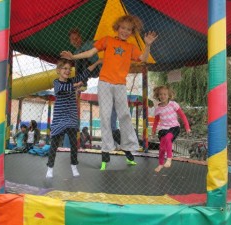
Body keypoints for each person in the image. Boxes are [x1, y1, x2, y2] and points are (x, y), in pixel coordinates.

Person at [61, 15, 158, 170]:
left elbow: (143, 58)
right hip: (105, 83)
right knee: (105, 116)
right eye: (123, 28)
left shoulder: (131, 47)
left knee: (124, 115)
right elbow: (89, 53)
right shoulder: (107, 40)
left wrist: (148, 45)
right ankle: (106, 152)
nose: (125, 31)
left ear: (132, 32)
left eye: (129, 29)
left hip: (120, 85)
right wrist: (73, 56)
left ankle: (128, 147)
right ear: (117, 27)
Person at [46, 58, 102, 178]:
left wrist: (97, 63)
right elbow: (64, 88)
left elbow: (85, 73)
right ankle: (50, 168)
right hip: (59, 119)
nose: (67, 71)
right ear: (58, 70)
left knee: (73, 144)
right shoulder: (56, 83)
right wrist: (76, 85)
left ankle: (73, 166)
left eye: (69, 69)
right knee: (54, 145)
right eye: (65, 68)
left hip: (71, 118)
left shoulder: (72, 80)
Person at [152, 85, 191, 172]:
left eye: (165, 94)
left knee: (167, 138)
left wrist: (187, 127)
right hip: (163, 129)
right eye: (161, 94)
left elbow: (182, 115)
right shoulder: (158, 109)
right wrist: (154, 130)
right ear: (158, 96)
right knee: (162, 148)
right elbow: (156, 121)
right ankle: (160, 164)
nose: (163, 96)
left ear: (169, 95)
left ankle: (169, 158)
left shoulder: (173, 104)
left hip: (174, 127)